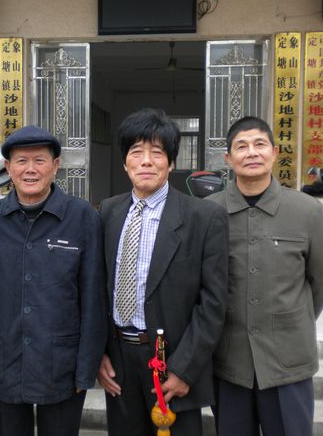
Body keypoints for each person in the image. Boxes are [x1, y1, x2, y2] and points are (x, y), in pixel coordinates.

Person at [97, 108, 229, 435]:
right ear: (124, 162)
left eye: (156, 153)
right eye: (136, 152)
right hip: (119, 360)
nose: (146, 161)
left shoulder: (203, 218)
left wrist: (185, 369)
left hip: (172, 362)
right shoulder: (108, 212)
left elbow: (213, 303)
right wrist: (99, 354)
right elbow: (97, 288)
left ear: (170, 163)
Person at [206, 116, 323, 436]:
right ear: (228, 158)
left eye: (260, 144)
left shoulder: (307, 211)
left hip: (288, 361)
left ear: (274, 153)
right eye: (241, 146)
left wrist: (292, 318)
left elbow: (322, 279)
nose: (251, 152)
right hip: (230, 361)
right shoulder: (209, 212)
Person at [0, 125, 106, 436]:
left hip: (61, 363)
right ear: (8, 168)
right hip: (5, 360)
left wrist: (85, 369)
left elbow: (93, 299)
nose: (30, 169)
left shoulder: (82, 217)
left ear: (55, 165)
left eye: (40, 160)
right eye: (21, 161)